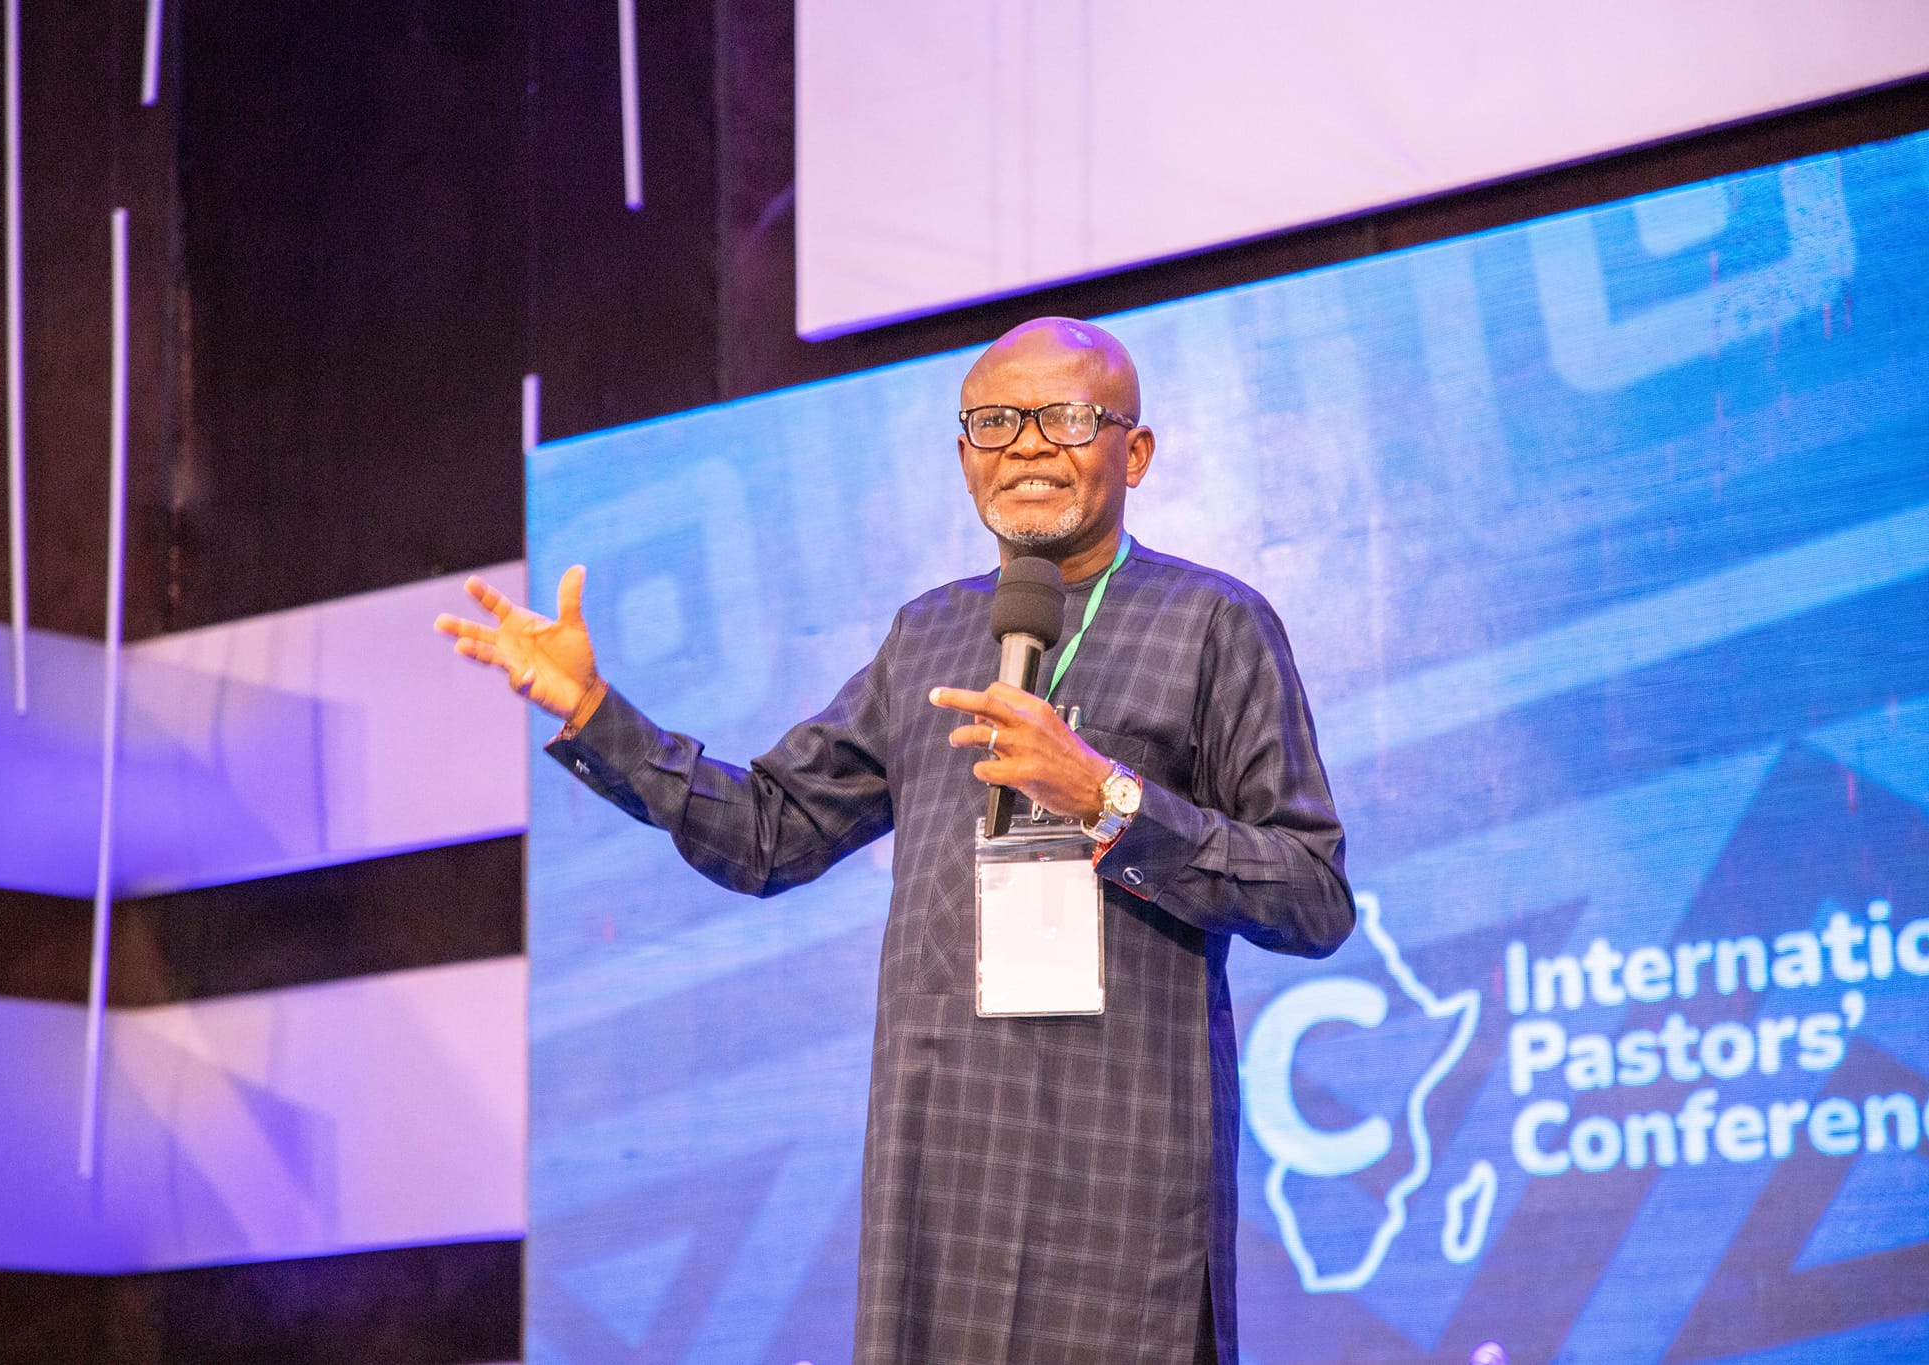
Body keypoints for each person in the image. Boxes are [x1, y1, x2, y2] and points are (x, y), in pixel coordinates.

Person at [437, 317, 1354, 1365]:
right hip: (943, 1160)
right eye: (995, 422)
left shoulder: (1214, 622)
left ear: (1133, 451)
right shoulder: (928, 635)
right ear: (964, 456)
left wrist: (1107, 798)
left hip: (1120, 1162)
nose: (1026, 446)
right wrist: (597, 712)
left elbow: (1312, 893)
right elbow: (767, 831)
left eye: (1064, 418)